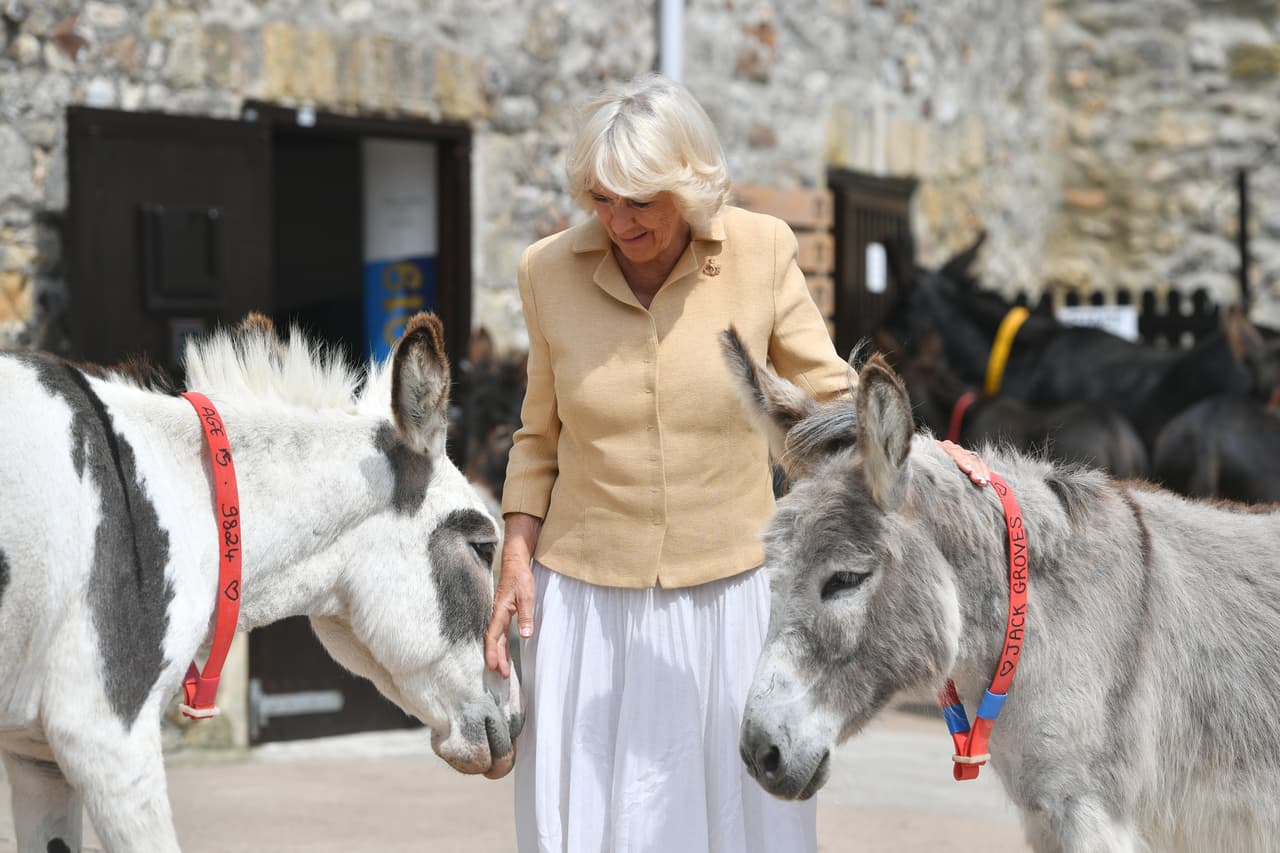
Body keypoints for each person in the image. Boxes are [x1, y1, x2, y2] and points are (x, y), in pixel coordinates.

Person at [484, 73, 991, 853]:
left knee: (733, 818)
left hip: (730, 599)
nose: (618, 220)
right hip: (587, 602)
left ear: (688, 186)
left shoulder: (762, 251)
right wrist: (516, 551)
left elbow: (828, 396)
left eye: (641, 201)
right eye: (601, 198)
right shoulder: (545, 271)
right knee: (589, 820)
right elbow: (538, 437)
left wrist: (907, 463)